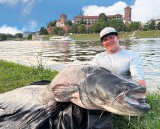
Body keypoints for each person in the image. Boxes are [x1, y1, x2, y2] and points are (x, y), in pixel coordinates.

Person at [89, 27, 146, 128]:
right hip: (103, 93)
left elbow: (138, 79)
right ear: (103, 43)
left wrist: (141, 96)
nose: (109, 41)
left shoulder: (131, 56)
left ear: (118, 38)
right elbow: (89, 75)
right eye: (105, 39)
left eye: (111, 37)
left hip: (122, 93)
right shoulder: (98, 58)